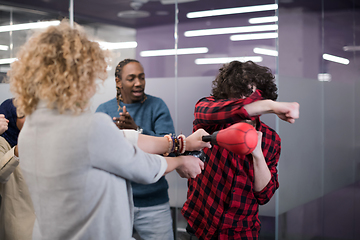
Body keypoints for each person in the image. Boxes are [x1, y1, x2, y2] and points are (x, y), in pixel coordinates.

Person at [8, 20, 210, 240]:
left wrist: (182, 143)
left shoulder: (30, 131)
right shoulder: (89, 127)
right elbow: (142, 167)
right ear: (78, 76)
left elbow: (120, 140)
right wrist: (181, 161)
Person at [181, 60, 300, 240]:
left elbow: (264, 195)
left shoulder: (271, 139)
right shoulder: (210, 119)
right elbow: (210, 110)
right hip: (201, 224)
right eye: (237, 94)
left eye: (250, 94)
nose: (244, 101)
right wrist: (270, 106)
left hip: (242, 232)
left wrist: (257, 154)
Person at [96, 59, 176, 240]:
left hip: (154, 202)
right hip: (116, 202)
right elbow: (98, 156)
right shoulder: (104, 110)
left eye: (141, 77)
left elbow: (169, 148)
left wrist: (137, 131)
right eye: (131, 78)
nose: (138, 83)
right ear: (118, 82)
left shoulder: (157, 106)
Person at [0, 98, 34, 240]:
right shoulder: (2, 142)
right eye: (22, 115)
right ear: (9, 118)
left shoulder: (40, 140)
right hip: (19, 226)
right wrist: (19, 149)